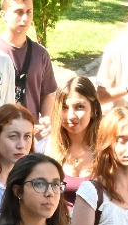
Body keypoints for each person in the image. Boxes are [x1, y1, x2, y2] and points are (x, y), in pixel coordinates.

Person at [0, 0, 59, 120]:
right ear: (3, 15)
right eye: (19, 12)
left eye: (28, 12)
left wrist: (47, 117)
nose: (25, 18)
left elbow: (47, 94)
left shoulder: (41, 54)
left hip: (30, 133)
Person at [43, 74, 101, 205]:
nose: (71, 115)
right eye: (64, 107)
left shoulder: (107, 150)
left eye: (79, 106)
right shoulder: (46, 149)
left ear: (94, 109)